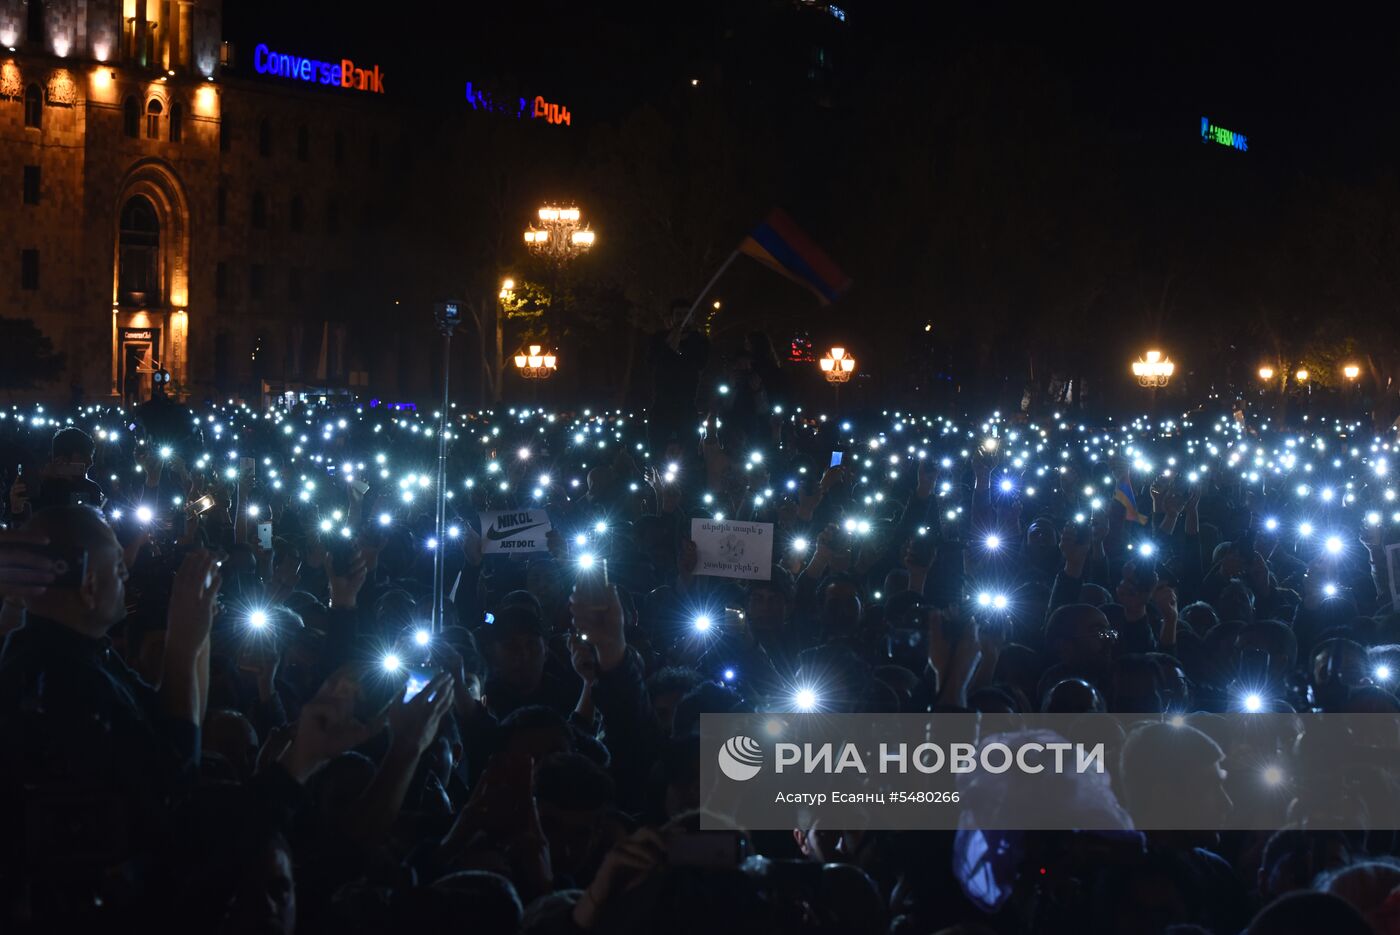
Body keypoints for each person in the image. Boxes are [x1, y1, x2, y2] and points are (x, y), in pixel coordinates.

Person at [8, 427, 104, 517]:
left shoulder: (92, 489)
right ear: (62, 458)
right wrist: (17, 509)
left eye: (91, 456)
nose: (90, 462)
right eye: (84, 456)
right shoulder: (37, 488)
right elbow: (23, 529)